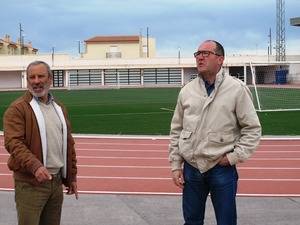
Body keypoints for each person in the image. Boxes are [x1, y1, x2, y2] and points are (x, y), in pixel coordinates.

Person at [169, 40, 261, 225]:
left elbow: (252, 128)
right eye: (197, 54)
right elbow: (176, 130)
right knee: (192, 221)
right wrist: (176, 165)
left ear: (220, 59)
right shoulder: (187, 91)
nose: (200, 57)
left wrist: (234, 157)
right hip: (192, 169)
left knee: (226, 221)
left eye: (205, 53)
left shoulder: (236, 89)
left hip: (222, 169)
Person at [3, 61, 78, 225]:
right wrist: (35, 166)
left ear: (50, 79)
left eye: (41, 76)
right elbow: (13, 143)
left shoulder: (59, 107)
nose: (36, 81)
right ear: (28, 81)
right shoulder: (18, 109)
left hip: (56, 183)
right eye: (32, 77)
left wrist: (71, 176)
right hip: (30, 184)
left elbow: (68, 143)